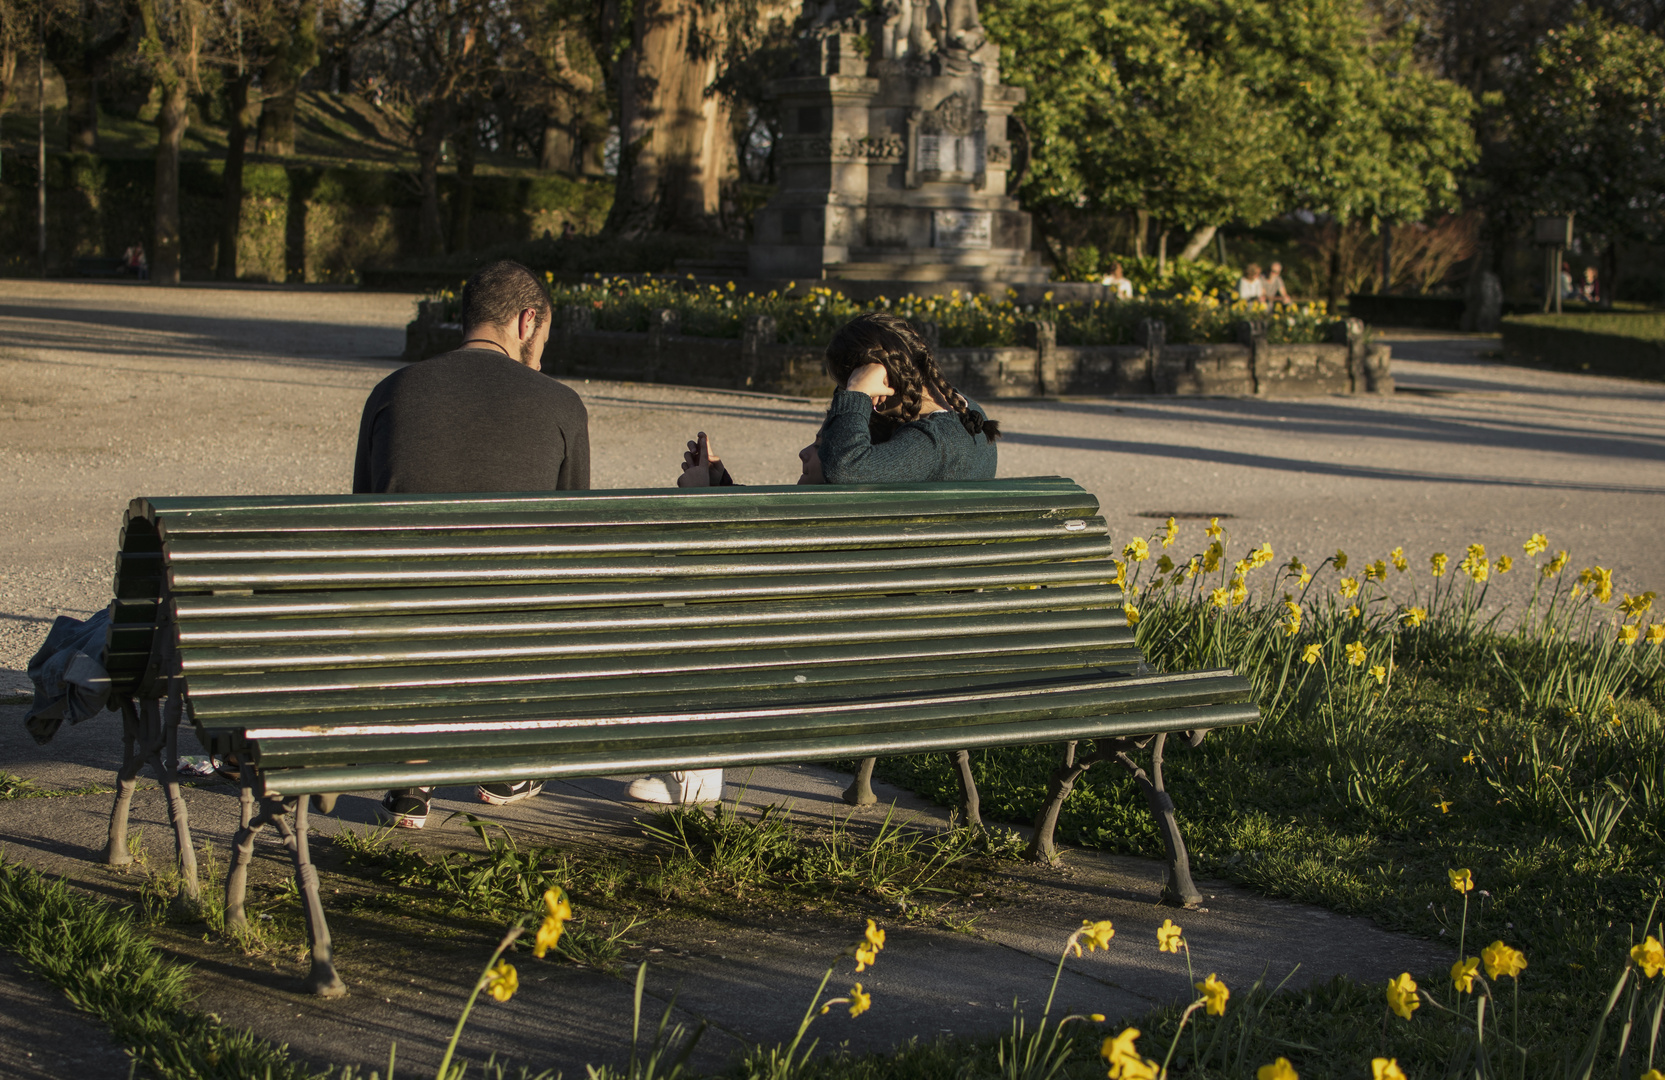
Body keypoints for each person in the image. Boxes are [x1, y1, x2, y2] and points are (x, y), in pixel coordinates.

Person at [639, 312, 1001, 806]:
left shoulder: (930, 442)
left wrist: (854, 393)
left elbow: (845, 473)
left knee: (708, 601)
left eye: (851, 383)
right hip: (919, 618)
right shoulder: (963, 420)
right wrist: (724, 491)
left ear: (880, 376)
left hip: (878, 636)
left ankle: (697, 773)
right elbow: (831, 516)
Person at [353, 259, 590, 828]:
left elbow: (361, 518)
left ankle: (412, 770)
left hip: (403, 627)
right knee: (527, 589)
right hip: (504, 631)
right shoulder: (561, 405)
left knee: (411, 583)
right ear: (527, 320)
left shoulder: (393, 390)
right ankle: (504, 759)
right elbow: (572, 536)